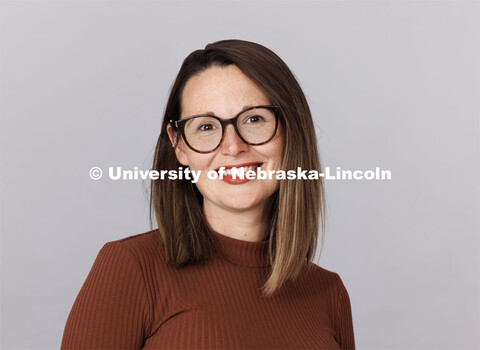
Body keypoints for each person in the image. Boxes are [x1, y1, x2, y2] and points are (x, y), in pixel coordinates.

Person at [61, 39, 355, 349]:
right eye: (206, 127)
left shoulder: (328, 293)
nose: (233, 147)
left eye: (254, 119)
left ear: (292, 130)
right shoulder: (131, 268)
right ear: (179, 145)